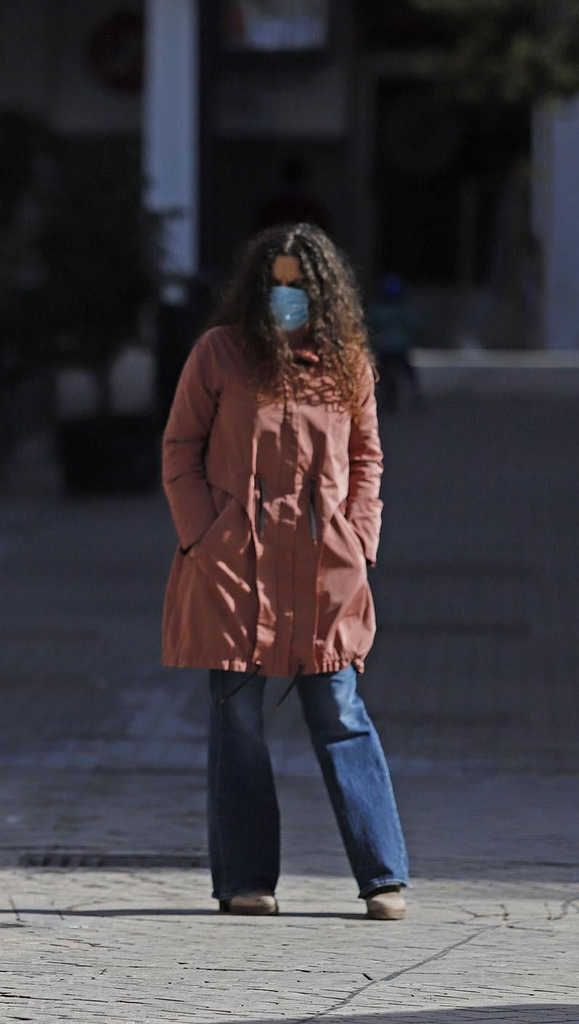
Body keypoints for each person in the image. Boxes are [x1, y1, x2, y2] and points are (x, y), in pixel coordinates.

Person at [161, 223, 410, 921]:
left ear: (323, 294)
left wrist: (360, 538)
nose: (285, 298)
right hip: (234, 569)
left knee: (340, 710)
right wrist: (203, 535)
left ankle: (383, 876)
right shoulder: (220, 353)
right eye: (275, 285)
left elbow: (367, 459)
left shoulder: (346, 364)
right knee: (237, 722)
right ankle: (246, 880)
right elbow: (180, 446)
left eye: (298, 287)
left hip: (324, 569)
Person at [367, 274, 423, 414]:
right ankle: (416, 398)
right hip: (397, 348)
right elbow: (414, 326)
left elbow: (370, 326)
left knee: (382, 375)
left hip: (385, 347)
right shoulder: (403, 310)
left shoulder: (378, 310)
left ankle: (381, 399)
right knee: (408, 374)